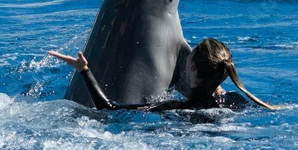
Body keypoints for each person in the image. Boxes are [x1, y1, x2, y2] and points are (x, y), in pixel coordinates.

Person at [49, 38, 278, 112]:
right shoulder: (236, 101)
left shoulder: (175, 107)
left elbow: (110, 109)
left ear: (191, 67)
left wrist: (84, 71)